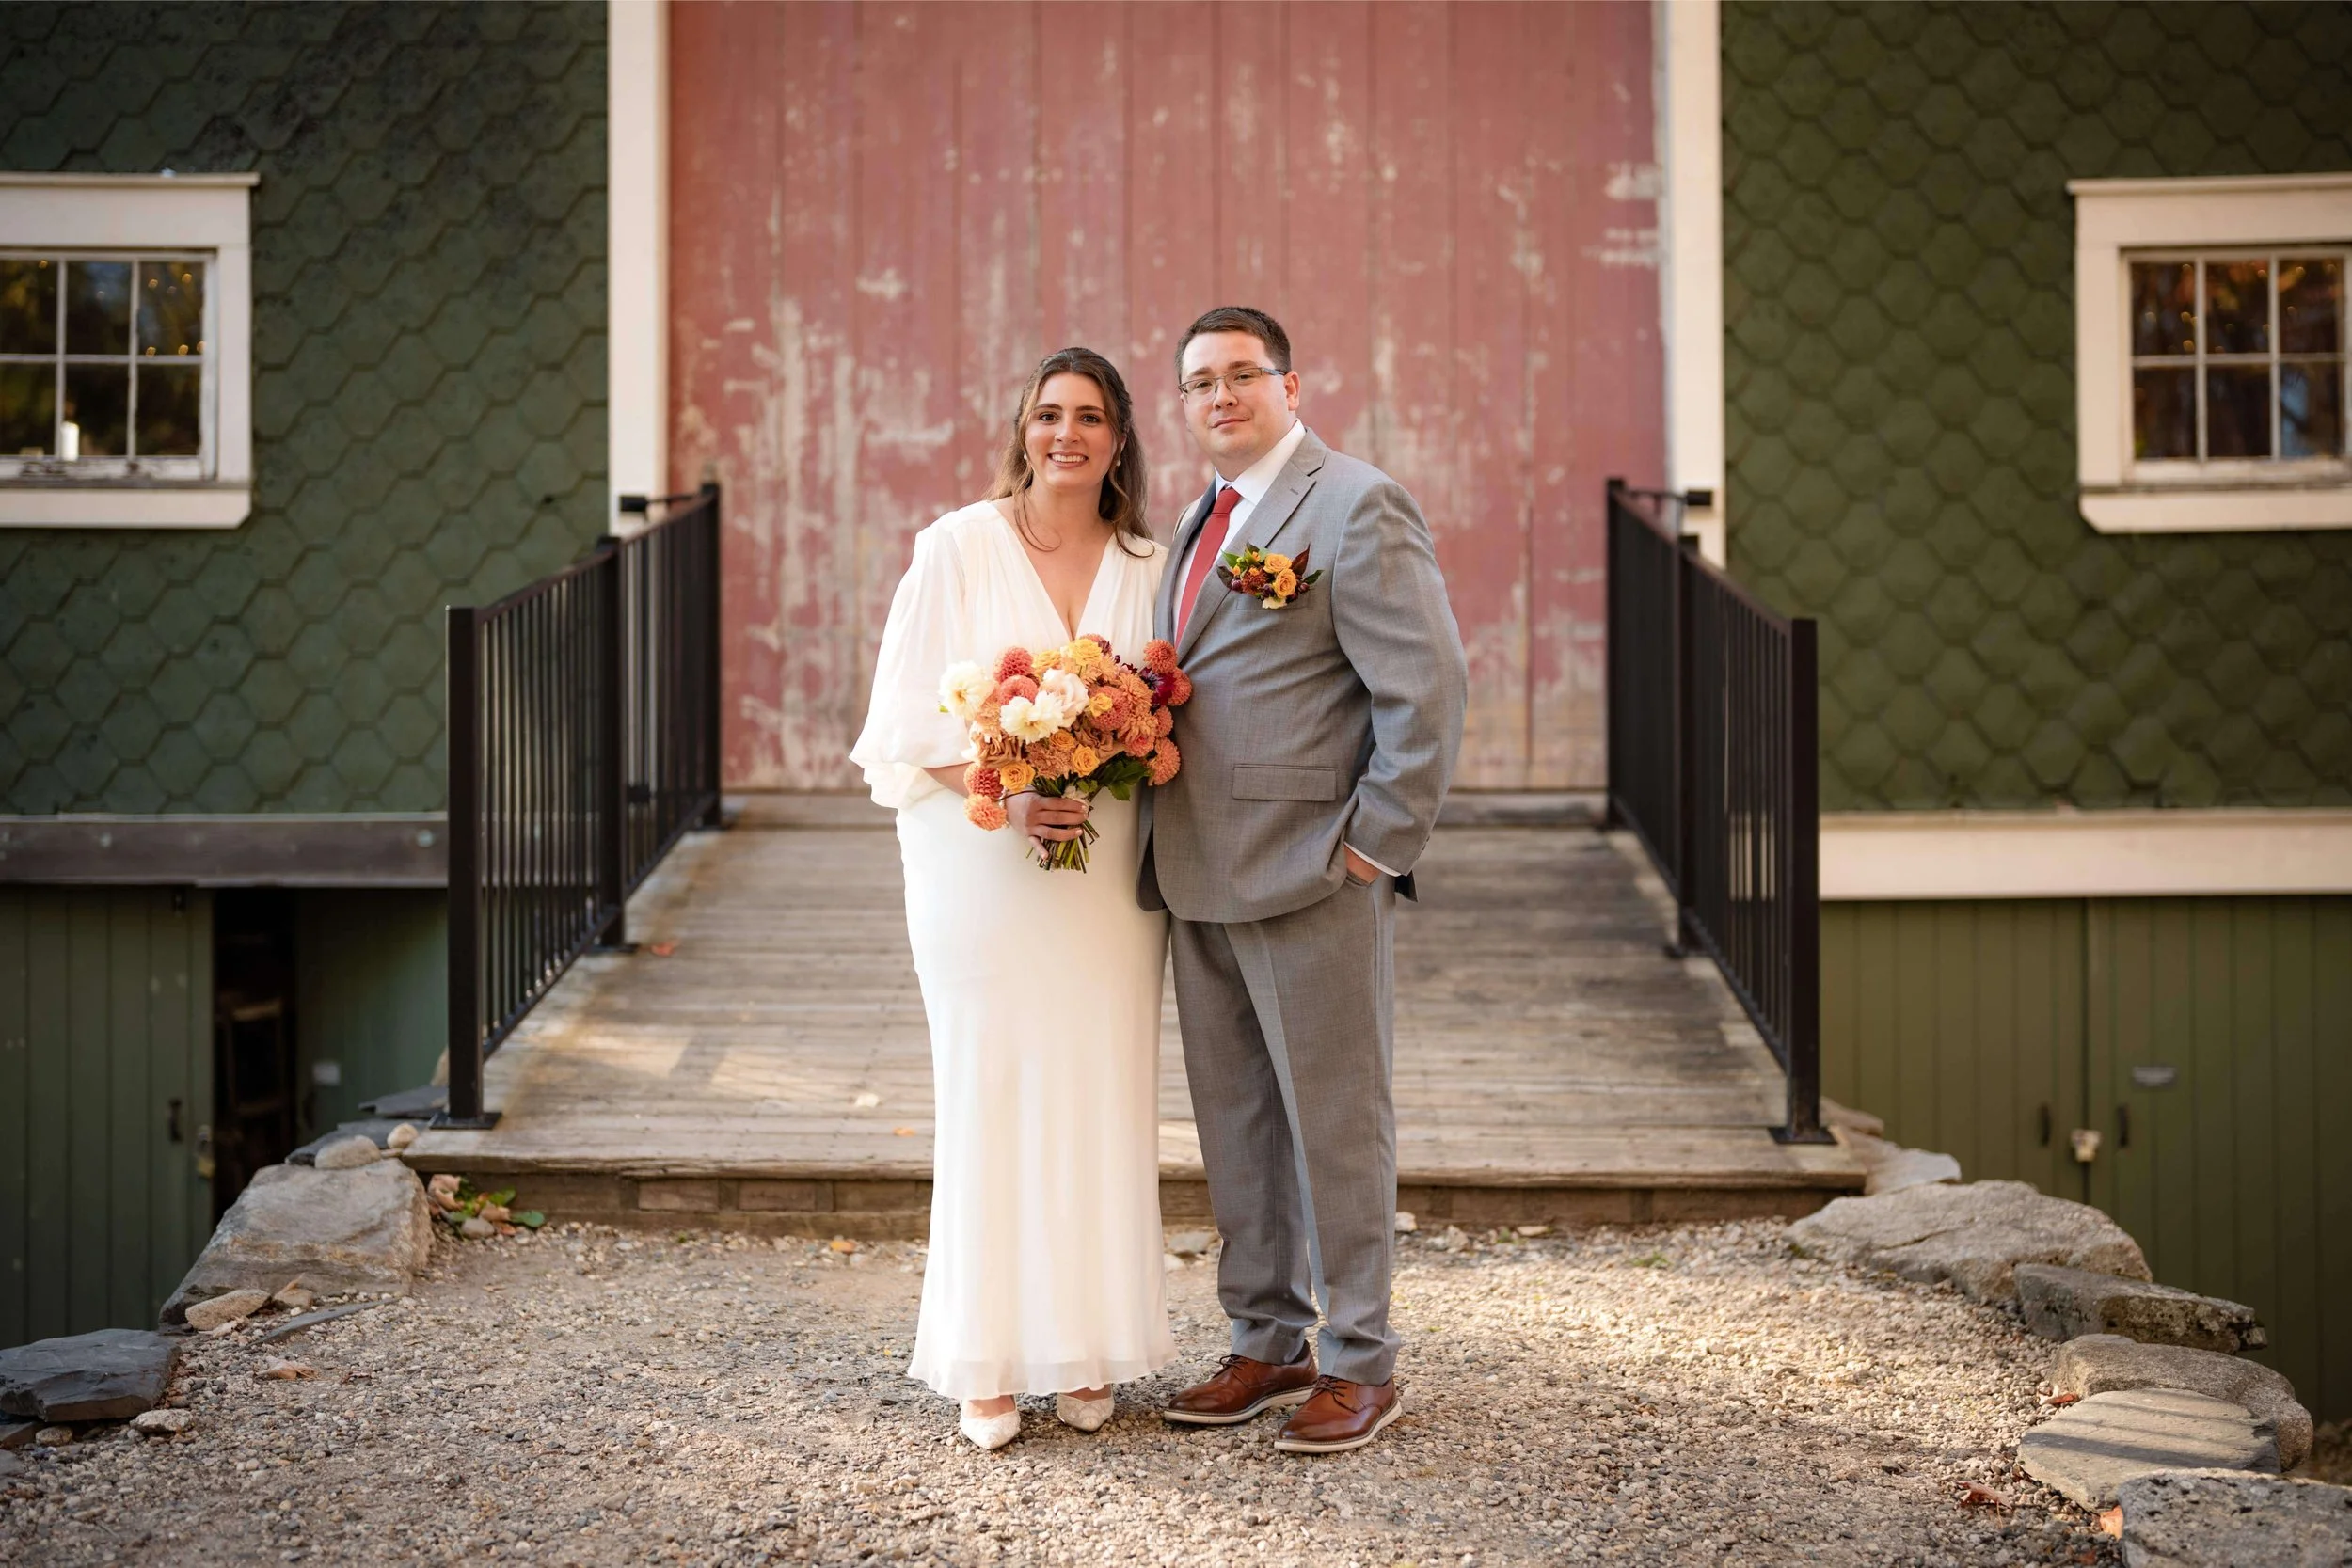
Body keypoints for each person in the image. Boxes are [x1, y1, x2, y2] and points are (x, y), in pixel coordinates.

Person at [1140, 306, 1468, 1454]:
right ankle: (1266, 1335)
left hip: (1312, 868)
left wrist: (1378, 842)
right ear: (1180, 404)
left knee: (1335, 1121)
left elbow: (1423, 689)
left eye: (1241, 374)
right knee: (1235, 1123)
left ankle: (1360, 1359)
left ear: (1290, 383)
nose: (1219, 395)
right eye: (1197, 382)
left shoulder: (1353, 500)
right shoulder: (1197, 517)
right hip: (1194, 868)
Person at [849, 347, 1174, 1450]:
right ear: (1022, 429)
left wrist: (1108, 756)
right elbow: (902, 717)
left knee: (1099, 1086)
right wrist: (1014, 784)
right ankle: (985, 1355)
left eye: (1090, 416)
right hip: (980, 856)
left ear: (1120, 439)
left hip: (1107, 875)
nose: (1067, 433)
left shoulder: (1151, 560)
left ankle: (1086, 1348)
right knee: (994, 1086)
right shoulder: (956, 546)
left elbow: (1172, 706)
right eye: (1049, 414)